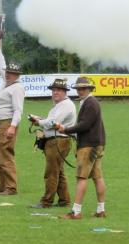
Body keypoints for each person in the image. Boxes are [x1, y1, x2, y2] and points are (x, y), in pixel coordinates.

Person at [55, 77, 107, 219]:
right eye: (78, 88)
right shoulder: (90, 102)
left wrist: (65, 130)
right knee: (97, 177)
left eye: (83, 88)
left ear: (89, 89)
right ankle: (101, 210)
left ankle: (76, 212)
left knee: (81, 177)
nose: (80, 91)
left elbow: (84, 125)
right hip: (97, 143)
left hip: (89, 145)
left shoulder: (90, 103)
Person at [0, 37, 25, 196]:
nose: (7, 74)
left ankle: (11, 187)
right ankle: (2, 185)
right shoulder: (7, 83)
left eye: (11, 73)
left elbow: (18, 110)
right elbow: (1, 63)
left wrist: (13, 127)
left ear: (17, 75)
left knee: (5, 157)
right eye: (7, 72)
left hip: (6, 125)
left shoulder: (17, 88)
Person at [28, 78, 77, 208]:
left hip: (58, 141)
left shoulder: (66, 105)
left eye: (59, 90)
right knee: (58, 172)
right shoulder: (61, 105)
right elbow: (51, 121)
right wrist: (41, 120)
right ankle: (64, 200)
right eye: (54, 90)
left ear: (65, 92)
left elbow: (52, 123)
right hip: (57, 140)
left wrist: (39, 122)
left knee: (51, 173)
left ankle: (46, 201)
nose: (55, 92)